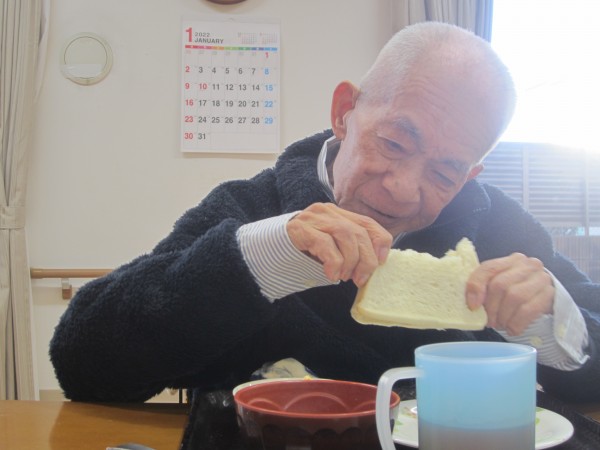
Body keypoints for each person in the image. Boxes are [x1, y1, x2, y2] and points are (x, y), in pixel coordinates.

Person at [50, 22, 600, 403]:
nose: (404, 190)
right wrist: (260, 262)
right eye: (394, 143)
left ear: (470, 175)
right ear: (344, 112)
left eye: (444, 173)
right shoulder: (250, 207)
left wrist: (553, 326)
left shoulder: (500, 227)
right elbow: (83, 362)